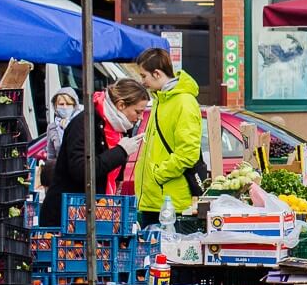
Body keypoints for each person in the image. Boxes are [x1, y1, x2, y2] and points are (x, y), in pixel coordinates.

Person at [38, 80, 150, 227]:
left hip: (94, 215)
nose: (140, 118)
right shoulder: (84, 124)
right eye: (138, 111)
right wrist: (121, 151)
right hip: (66, 219)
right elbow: (81, 170)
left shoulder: (120, 128)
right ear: (121, 105)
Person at [134, 48, 204, 217]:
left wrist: (158, 175)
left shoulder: (183, 102)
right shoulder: (161, 99)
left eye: (144, 76)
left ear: (157, 73)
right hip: (156, 200)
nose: (142, 81)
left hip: (169, 203)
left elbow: (188, 153)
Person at [43, 89, 82, 163]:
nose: (65, 107)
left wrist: (69, 129)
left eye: (68, 104)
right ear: (55, 106)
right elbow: (51, 156)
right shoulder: (52, 127)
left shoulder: (81, 124)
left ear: (74, 106)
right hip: (61, 170)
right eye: (61, 104)